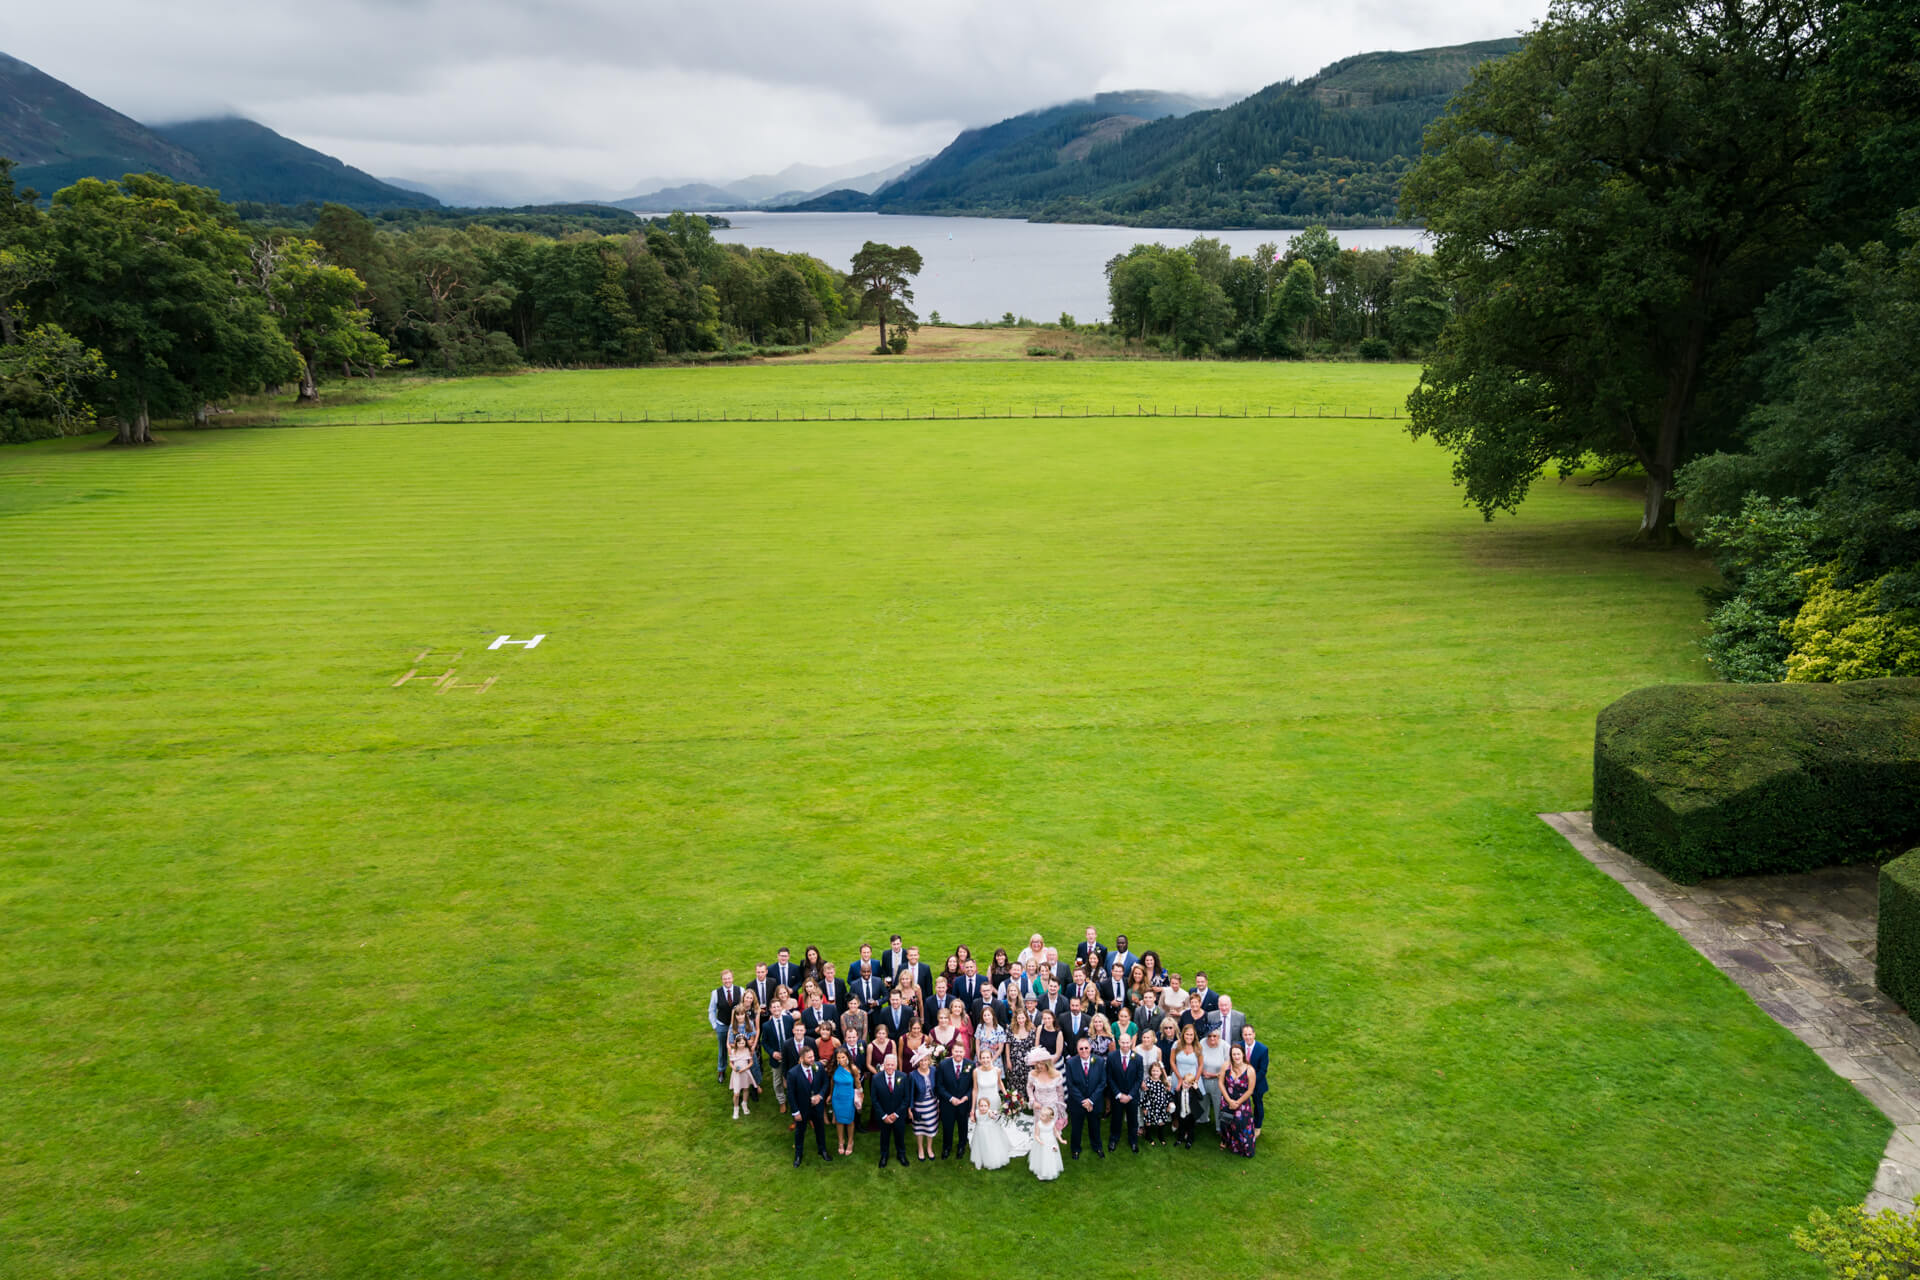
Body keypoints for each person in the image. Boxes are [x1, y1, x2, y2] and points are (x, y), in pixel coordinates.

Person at [786, 1046, 832, 1167]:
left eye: (813, 1056)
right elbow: (790, 1094)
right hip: (802, 1109)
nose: (813, 1059)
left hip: (817, 1107)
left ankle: (822, 1150)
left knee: (820, 1129)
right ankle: (798, 1155)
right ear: (801, 1058)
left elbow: (825, 1082)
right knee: (800, 1132)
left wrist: (820, 1096)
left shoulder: (819, 1067)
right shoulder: (793, 1073)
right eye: (809, 1057)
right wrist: (795, 1112)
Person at [1064, 1038, 1107, 1160]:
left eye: (1086, 1048)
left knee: (1095, 1126)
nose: (1084, 1051)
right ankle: (1075, 1149)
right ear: (1077, 1050)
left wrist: (1091, 1100)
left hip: (1095, 1102)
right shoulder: (1071, 1063)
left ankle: (1097, 1147)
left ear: (1090, 1048)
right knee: (1076, 1128)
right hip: (1077, 1103)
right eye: (1081, 1048)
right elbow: (1070, 1085)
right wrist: (1083, 1101)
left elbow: (1102, 1082)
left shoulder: (1099, 1061)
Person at [871, 1053, 911, 1168]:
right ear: (883, 1065)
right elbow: (874, 1099)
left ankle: (901, 1154)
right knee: (884, 1136)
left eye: (892, 1065)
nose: (889, 1067)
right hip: (883, 1115)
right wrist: (884, 1116)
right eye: (887, 1065)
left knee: (900, 1135)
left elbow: (906, 1098)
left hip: (899, 1115)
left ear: (896, 1065)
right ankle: (884, 1155)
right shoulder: (876, 1078)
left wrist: (897, 1114)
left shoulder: (903, 1077)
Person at [936, 1042, 974, 1160]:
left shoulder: (971, 1065)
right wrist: (951, 1098)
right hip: (948, 1103)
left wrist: (966, 1097)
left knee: (963, 1126)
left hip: (963, 1103)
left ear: (964, 1052)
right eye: (956, 1051)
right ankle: (947, 1147)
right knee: (947, 1127)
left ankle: (961, 1146)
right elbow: (939, 1086)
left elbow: (973, 1086)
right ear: (952, 1052)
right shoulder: (943, 1065)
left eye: (961, 1051)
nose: (958, 1054)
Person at [1106, 1031, 1143, 1154]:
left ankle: (1133, 1141)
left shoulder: (1138, 1058)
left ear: (1131, 1042)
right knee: (1116, 1119)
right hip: (1117, 1096)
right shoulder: (1112, 1057)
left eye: (1127, 1042)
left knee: (1133, 1120)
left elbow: (1139, 1079)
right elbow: (1109, 1077)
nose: (1125, 1045)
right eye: (1123, 1042)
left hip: (1132, 1096)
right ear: (1118, 1042)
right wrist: (1119, 1094)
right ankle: (1114, 1139)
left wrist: (1130, 1095)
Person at [1218, 1044, 1256, 1157]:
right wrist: (1229, 1100)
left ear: (1243, 1054)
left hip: (1242, 1102)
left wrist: (1237, 1103)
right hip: (1227, 1099)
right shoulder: (1226, 1066)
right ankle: (1226, 1141)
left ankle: (1242, 1148)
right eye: (1234, 1054)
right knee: (1225, 1122)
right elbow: (1220, 1083)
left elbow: (1250, 1090)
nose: (1236, 1056)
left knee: (1240, 1124)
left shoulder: (1250, 1070)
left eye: (1238, 1054)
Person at [1173, 1024, 1204, 1149]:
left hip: (1192, 1080)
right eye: (1187, 1034)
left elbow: (1201, 1065)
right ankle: (1179, 1130)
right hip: (1179, 1077)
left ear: (1194, 1035)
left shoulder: (1198, 1047)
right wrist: (1180, 1079)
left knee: (1191, 1106)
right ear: (1183, 1034)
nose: (1189, 1037)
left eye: (1191, 1034)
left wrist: (1195, 1082)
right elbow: (1172, 1061)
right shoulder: (1177, 1045)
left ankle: (1190, 1135)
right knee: (1179, 1105)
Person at [1026, 1050, 1066, 1137]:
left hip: (1052, 1107)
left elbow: (1060, 1092)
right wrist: (1033, 1101)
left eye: (1042, 1063)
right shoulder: (1033, 1074)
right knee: (1040, 1128)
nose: (1039, 1066)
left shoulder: (1056, 1075)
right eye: (1037, 1063)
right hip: (1039, 1106)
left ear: (1048, 1063)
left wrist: (1060, 1108)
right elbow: (1029, 1087)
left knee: (1051, 1129)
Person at [709, 969, 740, 1083]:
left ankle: (737, 1068)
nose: (727, 981)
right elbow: (711, 1010)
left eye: (729, 978)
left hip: (736, 1026)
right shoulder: (715, 993)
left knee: (737, 1047)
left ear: (732, 978)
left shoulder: (740, 990)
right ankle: (721, 1070)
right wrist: (715, 1025)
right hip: (722, 1025)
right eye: (725, 979)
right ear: (722, 980)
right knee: (722, 1048)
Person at [909, 1050, 939, 1161]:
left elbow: (937, 1088)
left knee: (930, 1127)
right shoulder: (913, 1075)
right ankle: (920, 1148)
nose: (923, 1063)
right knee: (919, 1129)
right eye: (921, 1061)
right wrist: (910, 1109)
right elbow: (911, 1093)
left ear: (929, 1061)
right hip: (919, 1106)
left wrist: (939, 1103)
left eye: (925, 1060)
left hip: (932, 1104)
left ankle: (929, 1148)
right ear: (918, 1062)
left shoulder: (934, 1071)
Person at [1004, 1008, 1037, 1110]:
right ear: (1016, 1018)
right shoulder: (1010, 1028)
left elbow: (1034, 1047)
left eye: (1023, 1018)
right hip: (1014, 1061)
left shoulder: (1031, 1029)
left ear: (1026, 1018)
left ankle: (1026, 1102)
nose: (1021, 1020)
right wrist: (1008, 1060)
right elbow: (1007, 1046)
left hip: (1027, 1062)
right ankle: (1015, 1102)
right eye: (1019, 1018)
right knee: (1014, 1081)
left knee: (1027, 1082)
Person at [1241, 1024, 1270, 1139]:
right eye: (1245, 1034)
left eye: (1250, 1034)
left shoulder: (1262, 1049)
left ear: (1254, 1034)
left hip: (1257, 1084)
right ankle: (1242, 1124)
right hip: (1241, 1083)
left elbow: (1263, 1070)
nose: (1248, 1037)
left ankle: (1257, 1126)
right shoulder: (1238, 1046)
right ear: (1242, 1035)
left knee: (1258, 1104)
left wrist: (1251, 1083)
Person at [830, 1048, 861, 1155]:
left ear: (848, 1056)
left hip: (849, 1098)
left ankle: (850, 1141)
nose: (841, 1060)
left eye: (843, 1057)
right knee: (839, 1120)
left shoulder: (853, 1069)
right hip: (837, 1097)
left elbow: (857, 1083)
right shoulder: (835, 1068)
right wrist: (830, 1094)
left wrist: (861, 1095)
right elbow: (832, 1082)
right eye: (838, 1058)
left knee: (849, 1121)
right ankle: (841, 1142)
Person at [969, 1096, 1011, 1171]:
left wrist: (994, 1115)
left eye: (985, 1106)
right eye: (981, 1106)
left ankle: (989, 1162)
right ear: (978, 1106)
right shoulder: (977, 1112)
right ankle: (979, 1161)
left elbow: (995, 1118)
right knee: (979, 1147)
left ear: (988, 1106)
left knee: (988, 1147)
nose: (983, 1108)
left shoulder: (989, 1112)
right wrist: (972, 1118)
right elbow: (975, 1120)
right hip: (979, 1133)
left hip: (988, 1133)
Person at [1200, 1026, 1229, 1129]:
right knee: (1203, 1100)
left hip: (1218, 1081)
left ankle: (1219, 1127)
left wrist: (1214, 1075)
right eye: (1210, 1036)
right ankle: (1202, 1119)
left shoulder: (1225, 1046)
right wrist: (1202, 1071)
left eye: (1214, 1036)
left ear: (1219, 1037)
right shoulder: (1202, 1043)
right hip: (1203, 1078)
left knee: (1218, 1105)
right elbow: (1198, 1058)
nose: (1212, 1038)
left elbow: (1227, 1067)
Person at [1139, 1059, 1174, 1147]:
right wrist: (1144, 1108)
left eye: (1157, 1071)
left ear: (1161, 1072)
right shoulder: (1147, 1082)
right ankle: (1148, 1136)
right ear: (1150, 1071)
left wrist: (1168, 1104)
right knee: (1148, 1122)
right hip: (1150, 1105)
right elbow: (1144, 1096)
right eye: (1153, 1070)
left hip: (1161, 1105)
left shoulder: (1163, 1082)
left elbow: (1167, 1095)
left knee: (1161, 1122)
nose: (1155, 1073)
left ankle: (1161, 1136)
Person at [728, 1022, 756, 1120]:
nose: (741, 1045)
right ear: (736, 1043)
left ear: (745, 1043)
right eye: (739, 1043)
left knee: (745, 1088)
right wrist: (734, 1068)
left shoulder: (747, 1051)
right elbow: (730, 1063)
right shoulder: (733, 1051)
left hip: (745, 1072)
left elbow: (751, 1062)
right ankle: (736, 1108)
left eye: (743, 1043)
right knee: (736, 1093)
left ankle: (744, 1104)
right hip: (736, 1074)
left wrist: (745, 1068)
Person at [1028, 1106, 1063, 1181]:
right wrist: (1039, 1141)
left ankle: (1052, 1169)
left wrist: (1061, 1139)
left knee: (1051, 1155)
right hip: (1042, 1143)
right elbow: (1036, 1135)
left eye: (1043, 1116)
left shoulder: (1052, 1124)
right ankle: (1041, 1171)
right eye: (1041, 1115)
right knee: (1042, 1156)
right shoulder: (1039, 1124)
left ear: (1049, 1118)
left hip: (1051, 1142)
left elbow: (1056, 1132)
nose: (1040, 1116)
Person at [972, 1042, 1004, 1118]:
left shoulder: (997, 1070)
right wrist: (972, 1108)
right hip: (981, 1103)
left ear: (991, 1058)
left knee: (995, 1123)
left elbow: (1000, 1083)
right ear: (980, 1059)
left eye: (987, 1057)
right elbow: (975, 1090)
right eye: (983, 1058)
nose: (985, 1060)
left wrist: (1007, 1097)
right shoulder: (976, 1072)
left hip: (994, 1101)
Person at [974, 1003, 1008, 1074]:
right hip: (981, 1057)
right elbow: (977, 1044)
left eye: (988, 1015)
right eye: (984, 1015)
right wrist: (979, 1057)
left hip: (994, 1058)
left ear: (992, 1016)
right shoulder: (980, 1027)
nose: (986, 1017)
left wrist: (991, 1060)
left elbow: (1000, 1048)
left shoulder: (999, 1029)